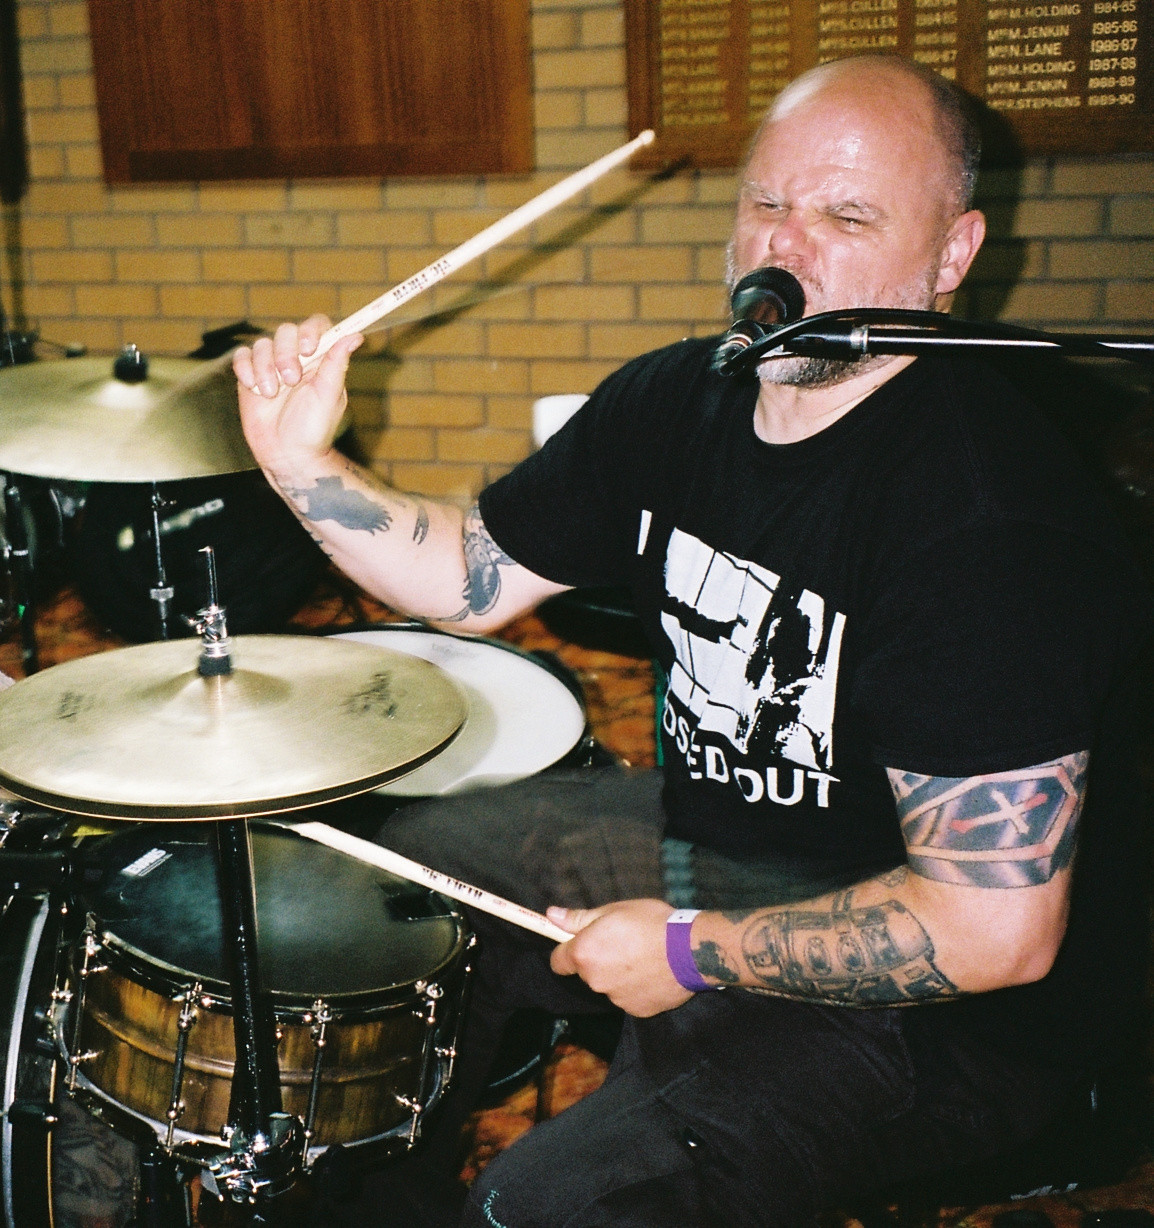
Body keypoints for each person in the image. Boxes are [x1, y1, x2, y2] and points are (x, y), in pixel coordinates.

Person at [232, 55, 1151, 1226]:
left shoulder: (990, 522)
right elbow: (466, 576)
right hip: (729, 847)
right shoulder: (680, 399)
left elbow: (993, 932)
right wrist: (300, 461)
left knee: (542, 1208)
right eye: (767, 202)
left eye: (847, 218)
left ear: (952, 253)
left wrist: (688, 952)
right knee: (401, 897)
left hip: (957, 1020)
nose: (787, 247)